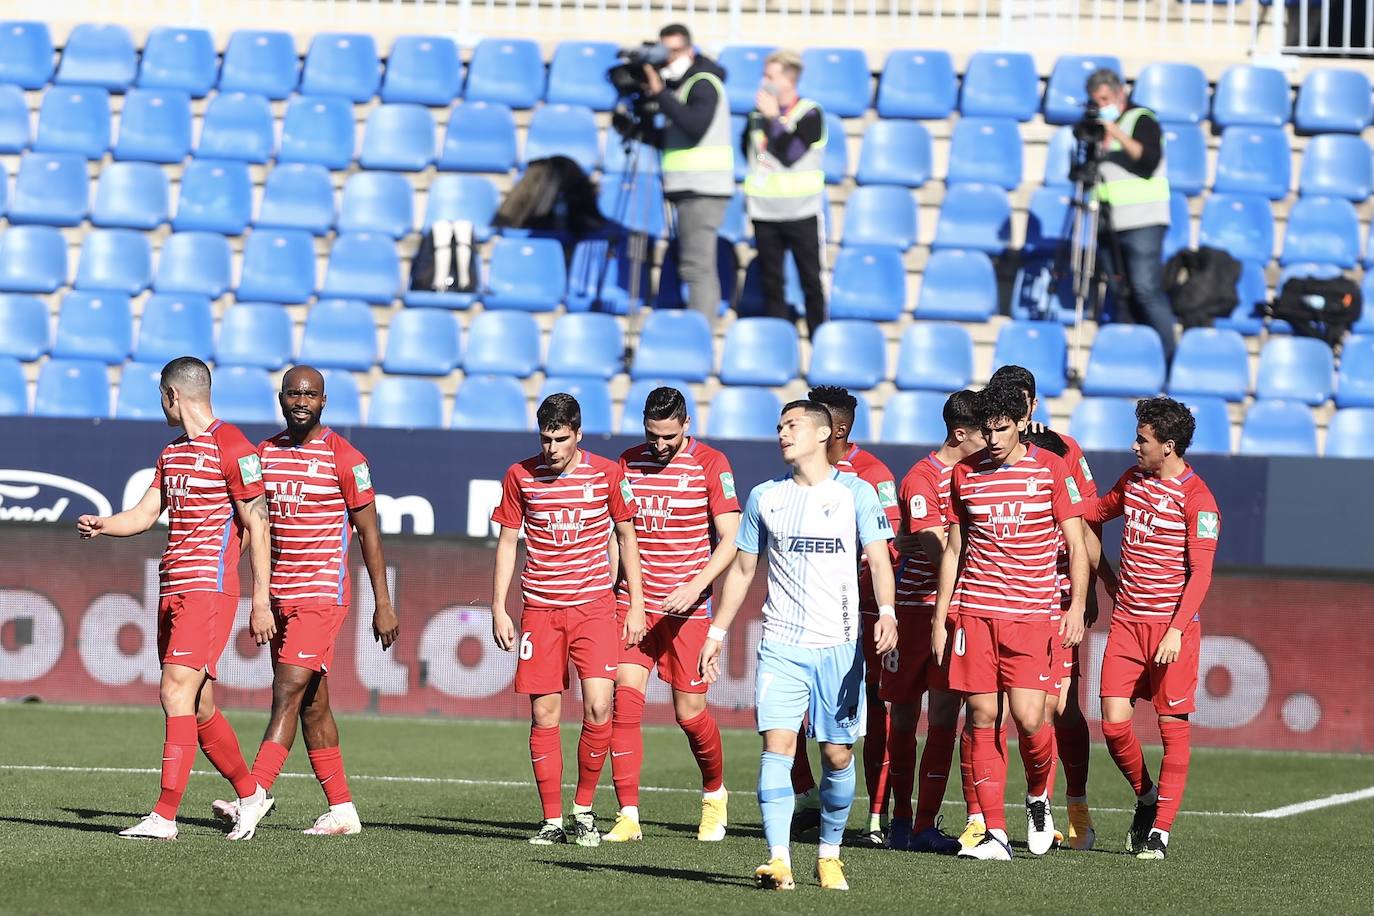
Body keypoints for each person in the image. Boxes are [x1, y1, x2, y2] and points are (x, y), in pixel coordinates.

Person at [699, 399, 897, 891]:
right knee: (777, 748)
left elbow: (880, 557)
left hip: (839, 646)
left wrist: (889, 613)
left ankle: (829, 854)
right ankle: (779, 858)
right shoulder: (765, 496)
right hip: (781, 643)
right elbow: (744, 570)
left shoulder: (856, 493)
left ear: (823, 433)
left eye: (792, 425)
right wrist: (716, 633)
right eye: (779, 426)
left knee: (836, 756)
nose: (782, 433)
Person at [76, 357, 274, 841]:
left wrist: (261, 598)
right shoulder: (172, 454)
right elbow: (144, 514)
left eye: (160, 398)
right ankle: (251, 796)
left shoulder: (235, 446)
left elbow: (259, 524)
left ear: (172, 396)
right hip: (173, 588)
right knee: (200, 705)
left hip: (209, 588)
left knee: (173, 691)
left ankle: (164, 816)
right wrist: (106, 524)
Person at [210, 366, 400, 837]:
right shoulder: (263, 454)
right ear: (280, 398)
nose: (301, 401)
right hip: (278, 597)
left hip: (320, 596)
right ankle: (342, 810)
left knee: (287, 691)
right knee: (313, 703)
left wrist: (384, 601)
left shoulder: (346, 458)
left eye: (310, 394)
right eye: (293, 393)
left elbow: (369, 533)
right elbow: (249, 522)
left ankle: (252, 795)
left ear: (323, 401)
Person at [933, 383, 1090, 861]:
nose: (994, 438)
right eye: (987, 430)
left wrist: (1077, 606)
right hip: (976, 614)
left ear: (1022, 422)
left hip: (1031, 616)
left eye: (1002, 428)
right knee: (982, 717)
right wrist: (942, 617)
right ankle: (995, 834)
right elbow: (955, 549)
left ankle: (1038, 797)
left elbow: (1077, 544)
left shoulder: (1051, 469)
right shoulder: (964, 474)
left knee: (1029, 718)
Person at [490, 393, 647, 847]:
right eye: (545, 439)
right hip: (539, 610)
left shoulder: (607, 474)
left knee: (600, 707)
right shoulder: (519, 475)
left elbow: (626, 536)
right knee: (544, 713)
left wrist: (634, 603)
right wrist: (498, 606)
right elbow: (506, 543)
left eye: (560, 439)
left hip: (595, 609)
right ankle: (552, 819)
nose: (551, 448)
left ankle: (583, 809)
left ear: (578, 434)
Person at [604, 387, 741, 843]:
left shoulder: (712, 464)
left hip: (689, 611)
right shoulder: (627, 462)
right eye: (651, 435)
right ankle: (627, 814)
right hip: (634, 602)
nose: (658, 445)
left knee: (690, 713)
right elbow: (619, 534)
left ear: (686, 426)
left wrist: (695, 586)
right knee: (624, 704)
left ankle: (715, 795)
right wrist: (613, 588)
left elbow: (731, 538)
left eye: (667, 436)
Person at [1085, 397, 1219, 861]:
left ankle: (1160, 831)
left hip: (1170, 628)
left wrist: (1177, 630)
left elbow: (1201, 574)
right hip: (1126, 623)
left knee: (1171, 728)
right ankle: (1146, 797)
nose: (1134, 445)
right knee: (1113, 722)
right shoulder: (1132, 481)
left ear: (1169, 445)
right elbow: (1094, 512)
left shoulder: (1198, 499)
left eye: (1142, 440)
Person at [985, 364, 1101, 850]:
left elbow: (1088, 521)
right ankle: (983, 818)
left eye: (1020, 402)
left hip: (1053, 589)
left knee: (1055, 707)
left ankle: (1070, 806)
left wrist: (1085, 592)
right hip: (996, 595)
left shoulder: (1065, 449)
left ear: (1032, 403)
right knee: (987, 710)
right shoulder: (986, 444)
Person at [784, 385, 901, 847]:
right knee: (790, 708)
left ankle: (876, 813)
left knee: (871, 707)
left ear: (836, 430)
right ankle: (806, 797)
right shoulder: (802, 471)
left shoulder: (874, 475)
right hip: (808, 612)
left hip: (863, 610)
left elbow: (889, 546)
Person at [883, 390, 985, 854]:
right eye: (984, 432)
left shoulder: (981, 474)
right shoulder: (922, 477)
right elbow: (933, 547)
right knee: (903, 716)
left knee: (944, 716)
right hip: (915, 612)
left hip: (957, 613)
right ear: (960, 433)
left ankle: (925, 823)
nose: (991, 440)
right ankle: (899, 819)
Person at [638, 23, 734, 322]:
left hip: (704, 188)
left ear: (690, 50)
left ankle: (700, 335)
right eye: (664, 51)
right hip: (687, 186)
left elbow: (694, 127)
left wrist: (660, 94)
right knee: (691, 265)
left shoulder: (703, 83)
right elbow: (676, 137)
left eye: (675, 51)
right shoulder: (679, 86)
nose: (668, 58)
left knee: (697, 267)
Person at [1086, 67, 1177, 363]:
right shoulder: (1097, 128)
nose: (1102, 106)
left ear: (1120, 92)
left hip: (1143, 220)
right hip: (1108, 222)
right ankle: (1134, 358)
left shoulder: (1142, 119)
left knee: (1145, 290)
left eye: (1105, 99)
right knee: (1119, 293)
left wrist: (1114, 132)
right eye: (1096, 101)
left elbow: (1148, 160)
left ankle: (1168, 358)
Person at [743, 49, 827, 339]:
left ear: (789, 81)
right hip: (765, 210)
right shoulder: (755, 116)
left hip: (801, 210)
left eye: (770, 76)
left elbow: (792, 153)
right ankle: (777, 341)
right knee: (771, 282)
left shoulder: (809, 113)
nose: (764, 82)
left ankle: (820, 339)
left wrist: (774, 118)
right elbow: (758, 156)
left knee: (810, 282)